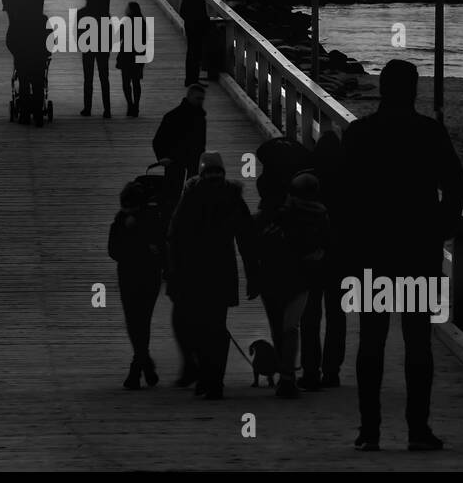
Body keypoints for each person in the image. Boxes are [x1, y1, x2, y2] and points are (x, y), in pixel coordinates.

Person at [343, 59, 463, 452]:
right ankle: (417, 429)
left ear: (382, 89)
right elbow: (456, 186)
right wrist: (441, 226)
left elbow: (342, 195)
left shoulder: (360, 133)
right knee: (417, 343)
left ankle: (369, 430)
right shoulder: (429, 132)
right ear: (414, 90)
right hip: (418, 251)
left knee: (371, 342)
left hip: (372, 252)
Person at [166, 151, 256, 399]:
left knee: (198, 326)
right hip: (222, 271)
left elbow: (175, 235)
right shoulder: (233, 196)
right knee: (216, 327)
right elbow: (246, 238)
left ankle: (206, 377)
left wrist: (173, 270)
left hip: (193, 272)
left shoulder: (191, 196)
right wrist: (252, 273)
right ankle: (214, 380)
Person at [253, 172, 330, 398]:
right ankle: (289, 376)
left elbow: (257, 238)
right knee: (292, 328)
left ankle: (285, 373)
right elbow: (326, 245)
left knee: (279, 328)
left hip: (272, 279)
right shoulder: (321, 215)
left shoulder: (277, 215)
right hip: (302, 280)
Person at [301, 130, 349, 389]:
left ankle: (310, 370)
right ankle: (332, 371)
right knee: (336, 316)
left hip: (311, 258)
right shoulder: (349, 182)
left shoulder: (309, 181)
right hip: (340, 259)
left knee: (309, 315)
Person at [108, 181, 166, 389]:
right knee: (136, 322)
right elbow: (113, 250)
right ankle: (144, 362)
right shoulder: (120, 221)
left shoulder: (151, 219)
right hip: (131, 276)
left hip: (144, 276)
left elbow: (160, 246)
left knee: (139, 320)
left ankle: (137, 366)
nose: (128, 210)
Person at [6, 12, 51, 127]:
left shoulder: (17, 18)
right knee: (38, 86)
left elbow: (9, 40)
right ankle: (38, 115)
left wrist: (16, 53)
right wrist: (46, 53)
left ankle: (25, 115)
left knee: (24, 85)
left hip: (22, 58)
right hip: (39, 58)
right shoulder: (43, 19)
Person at [77, 0, 112, 118]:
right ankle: (107, 110)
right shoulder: (104, 12)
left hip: (88, 49)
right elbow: (110, 32)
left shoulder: (81, 13)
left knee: (88, 79)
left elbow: (78, 32)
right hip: (102, 49)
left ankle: (87, 108)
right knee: (104, 79)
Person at [115, 0, 146, 117]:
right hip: (139, 55)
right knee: (136, 82)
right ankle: (136, 106)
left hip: (126, 56)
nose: (125, 10)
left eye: (127, 8)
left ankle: (130, 105)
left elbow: (118, 37)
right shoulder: (142, 22)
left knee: (126, 83)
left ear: (131, 10)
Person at [180, 0, 210, 87]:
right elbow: (201, 14)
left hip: (190, 28)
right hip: (197, 29)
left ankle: (190, 79)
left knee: (191, 54)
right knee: (195, 55)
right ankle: (193, 79)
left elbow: (182, 12)